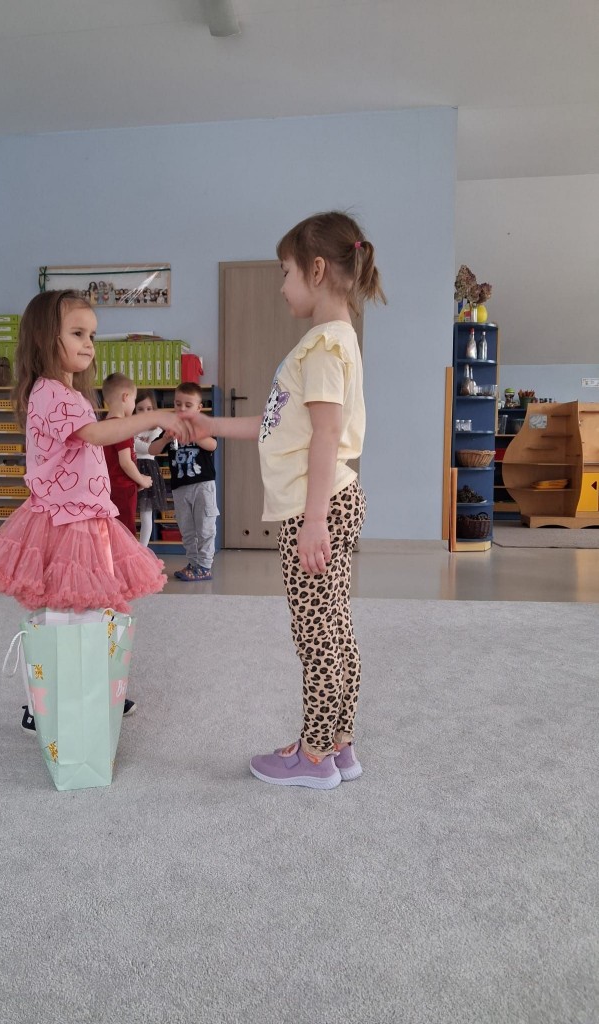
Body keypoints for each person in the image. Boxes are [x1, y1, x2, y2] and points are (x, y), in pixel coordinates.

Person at [179, 211, 385, 788]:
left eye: (286, 271)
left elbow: (326, 435)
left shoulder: (321, 348)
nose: (282, 285)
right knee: (335, 627)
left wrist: (314, 520)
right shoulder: (334, 342)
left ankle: (314, 757)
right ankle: (339, 745)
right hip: (332, 500)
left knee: (315, 633)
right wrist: (212, 425)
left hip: (316, 508)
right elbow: (278, 426)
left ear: (316, 270)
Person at [0, 290, 185, 725]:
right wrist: (154, 417)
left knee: (90, 608)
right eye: (77, 333)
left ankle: (94, 688)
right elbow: (97, 436)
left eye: (92, 336)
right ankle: (43, 705)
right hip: (66, 519)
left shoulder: (67, 393)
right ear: (45, 338)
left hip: (85, 514)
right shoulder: (51, 393)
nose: (88, 344)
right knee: (65, 613)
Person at [149, 383, 219, 581]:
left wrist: (194, 435)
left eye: (188, 405)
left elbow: (212, 445)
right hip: (180, 487)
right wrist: (165, 440)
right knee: (187, 529)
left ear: (199, 408)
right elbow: (152, 450)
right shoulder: (171, 427)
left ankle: (204, 566)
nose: (182, 408)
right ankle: (193, 562)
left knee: (205, 527)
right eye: (178, 404)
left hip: (203, 485)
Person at [101, 373, 152, 535]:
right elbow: (125, 462)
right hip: (123, 489)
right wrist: (142, 480)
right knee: (125, 533)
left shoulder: (101, 426)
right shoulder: (122, 427)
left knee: (110, 531)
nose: (134, 405)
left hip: (105, 488)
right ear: (125, 397)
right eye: (134, 400)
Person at [133, 390, 169, 547]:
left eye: (149, 409)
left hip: (148, 470)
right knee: (129, 511)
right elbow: (142, 446)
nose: (144, 412)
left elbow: (150, 448)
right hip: (132, 469)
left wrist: (136, 443)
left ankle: (143, 549)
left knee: (146, 514)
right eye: (140, 409)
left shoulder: (157, 430)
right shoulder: (130, 427)